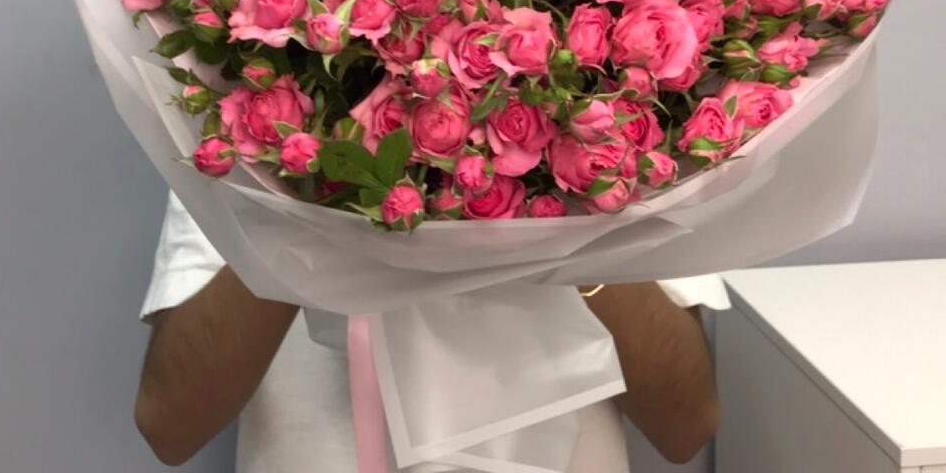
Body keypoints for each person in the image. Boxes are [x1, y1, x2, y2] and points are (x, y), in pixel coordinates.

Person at [135, 192, 727, 471]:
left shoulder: (627, 121)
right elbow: (171, 426)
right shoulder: (238, 124)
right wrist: (299, 194)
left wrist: (566, 208)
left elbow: (685, 425)